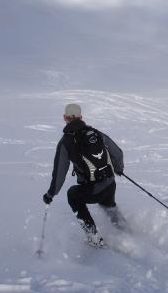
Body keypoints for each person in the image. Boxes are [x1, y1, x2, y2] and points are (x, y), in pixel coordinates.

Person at [43, 103, 125, 246]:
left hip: (93, 189)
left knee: (73, 196)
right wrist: (118, 169)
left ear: (65, 118)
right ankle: (125, 229)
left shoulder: (65, 142)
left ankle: (94, 238)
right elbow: (117, 153)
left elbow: (59, 174)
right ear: (81, 117)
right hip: (110, 183)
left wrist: (50, 194)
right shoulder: (95, 132)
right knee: (108, 204)